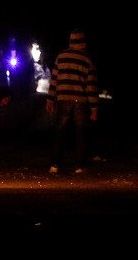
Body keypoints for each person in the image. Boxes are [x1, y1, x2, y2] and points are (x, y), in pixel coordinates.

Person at [46, 29, 98, 174]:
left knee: (60, 131)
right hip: (80, 100)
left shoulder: (61, 56)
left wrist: (50, 99)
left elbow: (54, 80)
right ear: (82, 43)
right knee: (80, 133)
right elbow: (90, 86)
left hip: (62, 99)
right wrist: (94, 108)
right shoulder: (87, 59)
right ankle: (79, 165)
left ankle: (55, 164)